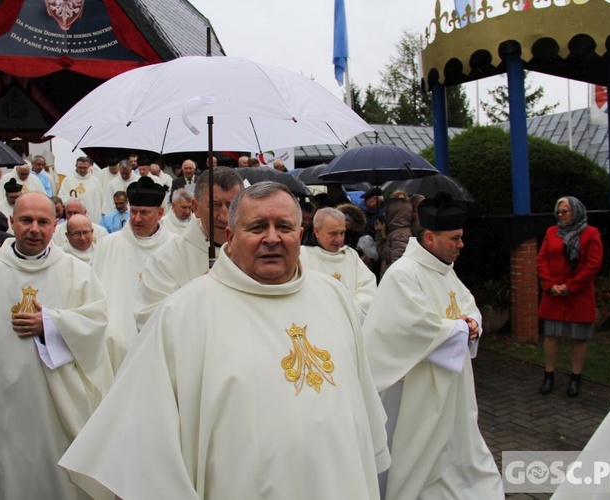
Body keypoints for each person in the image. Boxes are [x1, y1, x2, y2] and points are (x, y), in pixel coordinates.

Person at [60, 181, 390, 499]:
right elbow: (139, 452)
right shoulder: (184, 313)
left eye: (284, 227)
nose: (272, 238)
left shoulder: (334, 297)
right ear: (229, 237)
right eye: (257, 227)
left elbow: (363, 412)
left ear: (300, 234)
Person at [0, 192, 113, 499]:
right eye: (26, 220)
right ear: (12, 221)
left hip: (55, 408)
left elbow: (97, 326)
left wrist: (51, 324)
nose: (34, 229)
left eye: (43, 222)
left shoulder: (77, 272)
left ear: (55, 225)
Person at [363, 192, 503, 500]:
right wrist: (458, 329)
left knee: (458, 441)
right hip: (419, 385)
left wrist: (473, 324)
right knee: (421, 450)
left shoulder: (445, 269)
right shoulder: (403, 273)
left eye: (461, 237)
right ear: (429, 237)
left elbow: (467, 304)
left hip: (452, 381)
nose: (461, 244)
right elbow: (407, 327)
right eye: (455, 238)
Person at [136, 167, 243, 330]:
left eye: (232, 205)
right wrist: (198, 291)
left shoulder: (257, 255)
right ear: (196, 207)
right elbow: (150, 323)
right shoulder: (166, 260)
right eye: (214, 205)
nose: (224, 216)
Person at [92, 177, 174, 368]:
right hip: (115, 340)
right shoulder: (108, 244)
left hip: (161, 335)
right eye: (134, 212)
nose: (137, 219)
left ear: (160, 212)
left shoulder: (174, 246)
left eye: (144, 213)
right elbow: (94, 293)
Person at [538, 196, 602, 398]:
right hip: (554, 293)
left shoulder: (591, 234)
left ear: (576, 211)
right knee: (551, 335)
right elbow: (542, 259)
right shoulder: (551, 232)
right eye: (558, 212)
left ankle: (576, 378)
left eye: (565, 211)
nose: (561, 215)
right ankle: (549, 375)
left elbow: (593, 264)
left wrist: (570, 286)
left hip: (578, 295)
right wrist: (550, 285)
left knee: (579, 338)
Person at [300, 207, 376, 322]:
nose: (339, 240)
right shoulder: (302, 256)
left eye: (342, 233)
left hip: (352, 322)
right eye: (333, 234)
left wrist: (351, 310)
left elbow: (368, 288)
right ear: (317, 232)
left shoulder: (351, 255)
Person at [376, 189, 413, 277]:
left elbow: (398, 269)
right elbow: (384, 254)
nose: (385, 214)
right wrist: (380, 232)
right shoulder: (395, 232)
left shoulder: (400, 235)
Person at [59, 156, 104, 221]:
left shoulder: (95, 181)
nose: (82, 170)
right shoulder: (68, 180)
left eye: (84, 168)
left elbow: (101, 200)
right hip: (74, 216)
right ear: (76, 166)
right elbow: (62, 198)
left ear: (89, 166)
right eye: (80, 167)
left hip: (92, 217)